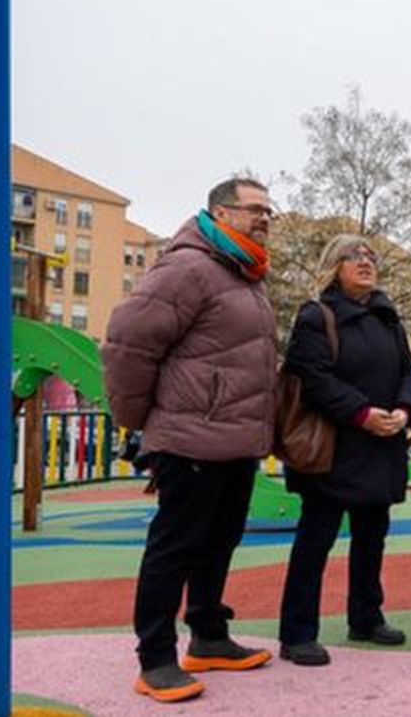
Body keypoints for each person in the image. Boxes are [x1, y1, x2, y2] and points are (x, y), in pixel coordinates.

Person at [103, 177, 279, 702]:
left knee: (218, 541)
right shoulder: (189, 267)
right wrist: (143, 420)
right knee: (174, 547)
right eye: (255, 210)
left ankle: (208, 635)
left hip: (235, 438)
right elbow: (127, 343)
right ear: (220, 213)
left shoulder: (243, 273)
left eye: (270, 211)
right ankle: (155, 657)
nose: (265, 218)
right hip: (189, 436)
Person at [276, 235, 411, 666]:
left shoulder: (388, 316)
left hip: (381, 444)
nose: (365, 262)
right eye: (354, 256)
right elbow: (312, 377)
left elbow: (409, 370)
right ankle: (298, 632)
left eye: (370, 256)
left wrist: (403, 408)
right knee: (315, 538)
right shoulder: (316, 315)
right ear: (333, 265)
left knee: (372, 535)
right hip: (334, 446)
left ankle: (366, 616)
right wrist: (361, 414)